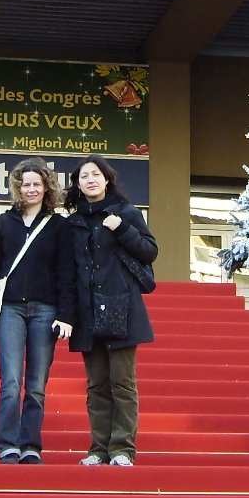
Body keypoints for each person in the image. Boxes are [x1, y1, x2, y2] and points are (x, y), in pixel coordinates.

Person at [0, 157, 76, 465]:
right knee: (11, 381)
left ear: (47, 187)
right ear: (18, 188)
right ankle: (7, 444)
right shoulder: (4, 223)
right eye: (25, 184)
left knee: (36, 385)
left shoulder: (59, 226)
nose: (31, 189)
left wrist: (66, 314)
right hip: (10, 309)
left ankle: (30, 445)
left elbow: (66, 274)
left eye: (36, 184)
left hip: (46, 310)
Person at [64, 156, 157, 467]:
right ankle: (98, 449)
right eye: (84, 176)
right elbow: (68, 272)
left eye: (96, 174)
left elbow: (149, 251)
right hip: (87, 311)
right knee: (97, 385)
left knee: (123, 382)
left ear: (107, 179)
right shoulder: (73, 223)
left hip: (122, 307)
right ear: (78, 185)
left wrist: (122, 229)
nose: (90, 180)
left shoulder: (125, 213)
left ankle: (121, 449)